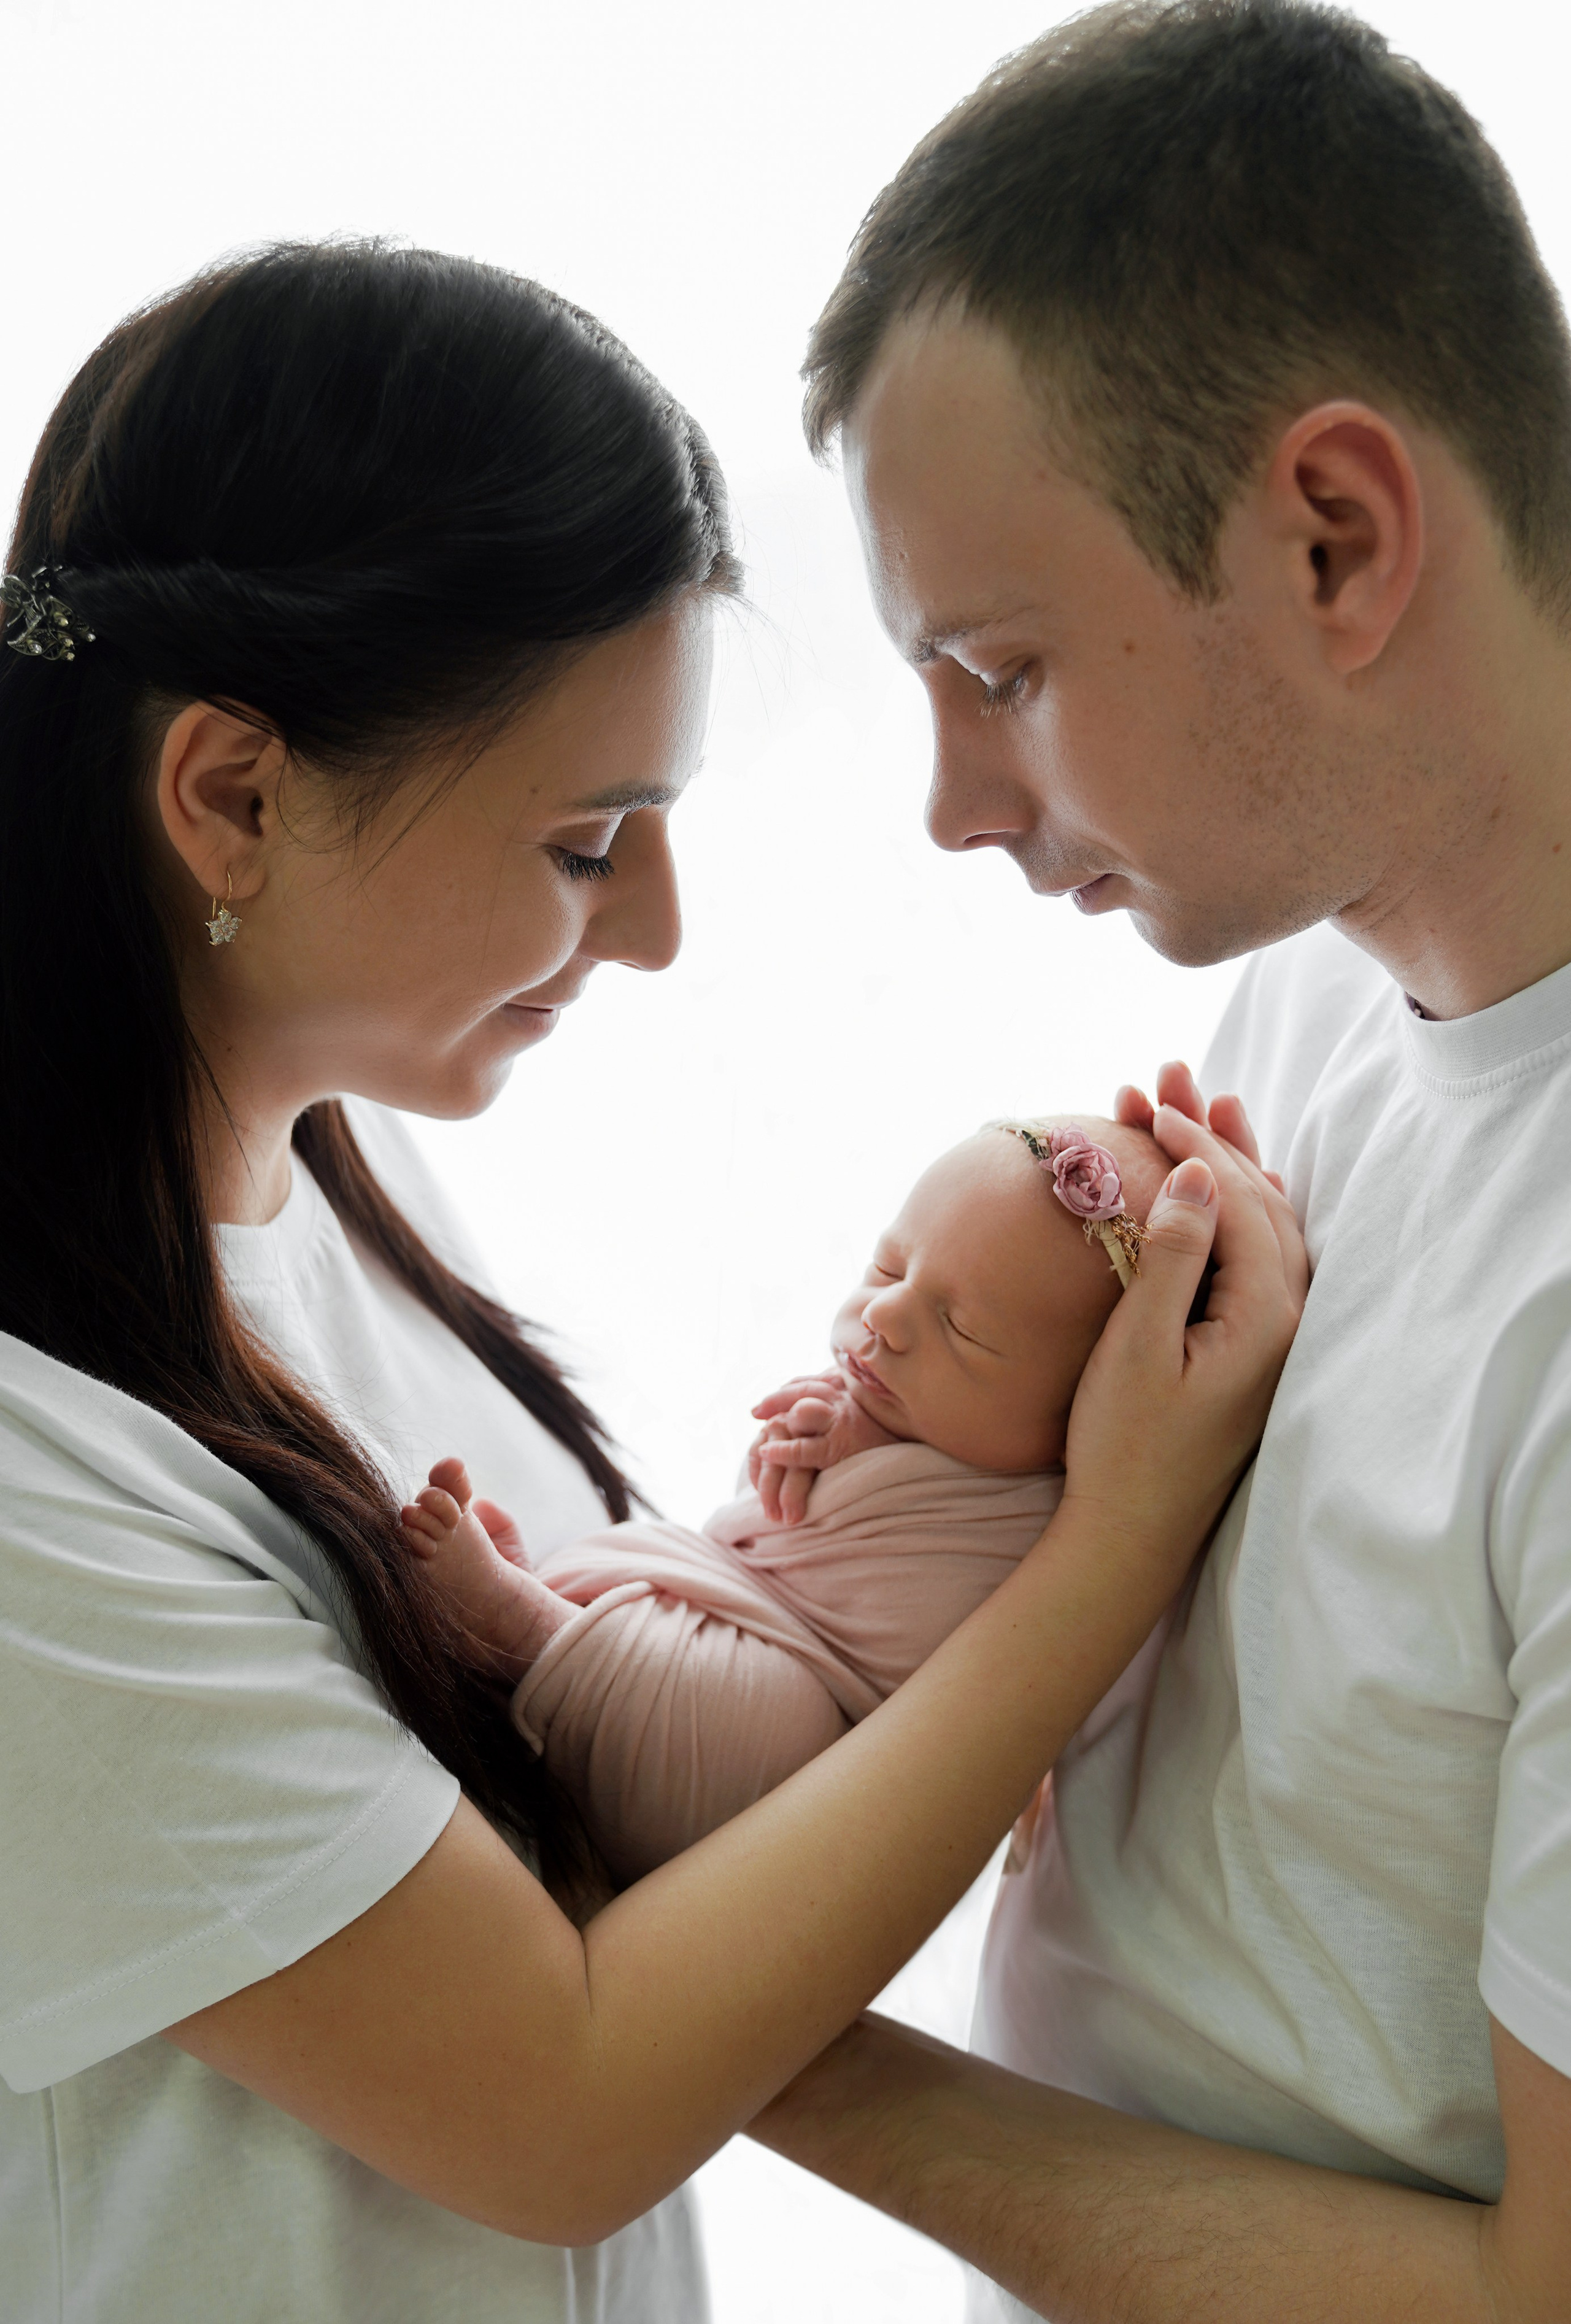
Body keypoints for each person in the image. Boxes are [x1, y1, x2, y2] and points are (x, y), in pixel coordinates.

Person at [0, 241, 1299, 2324]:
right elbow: (563, 2099)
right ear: (231, 795)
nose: (661, 931)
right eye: (591, 842)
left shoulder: (333, 1160)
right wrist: (1117, 1532)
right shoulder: (30, 1476)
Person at [749, 5, 1571, 2320]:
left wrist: (736, 2032)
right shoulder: (1311, 977)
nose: (950, 806)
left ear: (1330, 534)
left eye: (995, 668)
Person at [400, 1118, 1166, 1880]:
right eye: (888, 1266)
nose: (884, 1317)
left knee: (768, 1716)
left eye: (961, 1329)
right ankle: (546, 1629)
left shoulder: (1058, 1513)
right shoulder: (861, 1406)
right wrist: (802, 1446)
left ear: (1081, 1414)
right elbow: (761, 1523)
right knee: (641, 1558)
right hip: (732, 1607)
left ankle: (525, 1629)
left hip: (806, 1755)